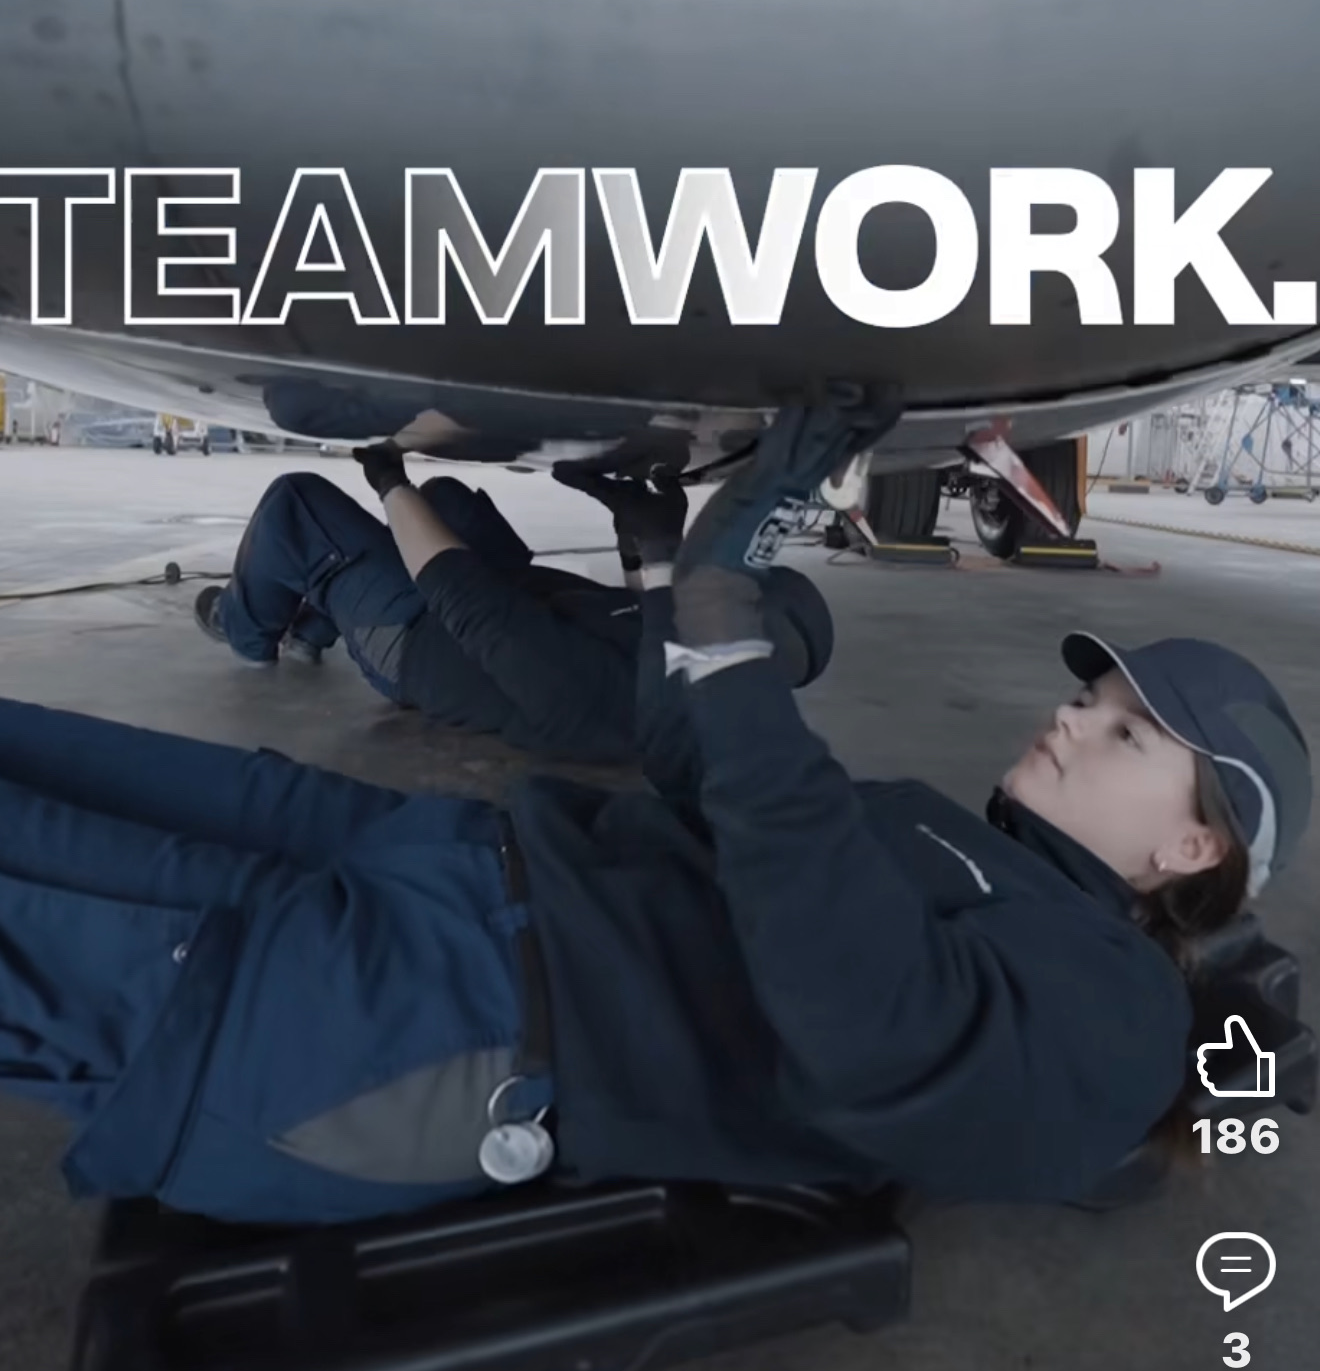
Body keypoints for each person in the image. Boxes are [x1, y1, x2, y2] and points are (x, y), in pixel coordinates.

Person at [0, 398, 1309, 1228]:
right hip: (464, 874)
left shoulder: (1121, 1012)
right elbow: (703, 780)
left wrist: (727, 621)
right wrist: (674, 570)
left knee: (53, 904)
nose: (1072, 719)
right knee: (63, 767)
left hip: (443, 1017)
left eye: (1128, 731)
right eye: (1090, 699)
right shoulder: (976, 857)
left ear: (1192, 848)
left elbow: (866, 1019)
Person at [191, 450, 835, 763]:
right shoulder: (695, 682)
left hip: (423, 635)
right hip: (514, 603)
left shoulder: (614, 701)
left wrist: (388, 480)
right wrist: (640, 535)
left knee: (296, 506)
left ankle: (248, 630)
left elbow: (468, 604)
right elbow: (643, 622)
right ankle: (321, 615)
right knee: (446, 502)